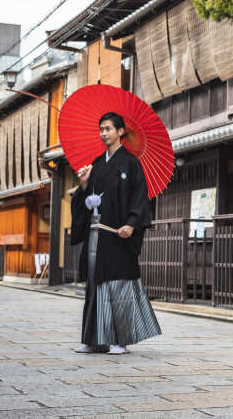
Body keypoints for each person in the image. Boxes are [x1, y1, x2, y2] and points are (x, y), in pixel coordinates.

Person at [70, 112, 161, 354]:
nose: (103, 133)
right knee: (95, 286)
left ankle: (120, 341)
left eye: (108, 129)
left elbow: (139, 198)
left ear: (120, 132)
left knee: (118, 285)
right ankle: (95, 340)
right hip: (97, 233)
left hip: (119, 234)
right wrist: (84, 184)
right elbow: (86, 199)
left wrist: (131, 223)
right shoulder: (97, 164)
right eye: (101, 129)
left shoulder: (131, 163)